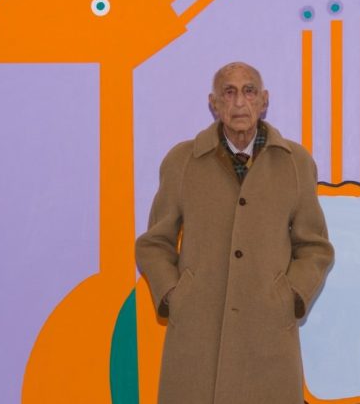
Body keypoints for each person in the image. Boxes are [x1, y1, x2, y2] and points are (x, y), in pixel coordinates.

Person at [135, 62, 334, 404]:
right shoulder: (182, 161)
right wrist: (175, 295)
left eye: (249, 91)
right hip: (197, 335)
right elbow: (155, 243)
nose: (239, 102)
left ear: (264, 100)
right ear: (213, 103)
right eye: (229, 92)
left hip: (268, 334)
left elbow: (315, 246)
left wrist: (289, 296)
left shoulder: (295, 163)